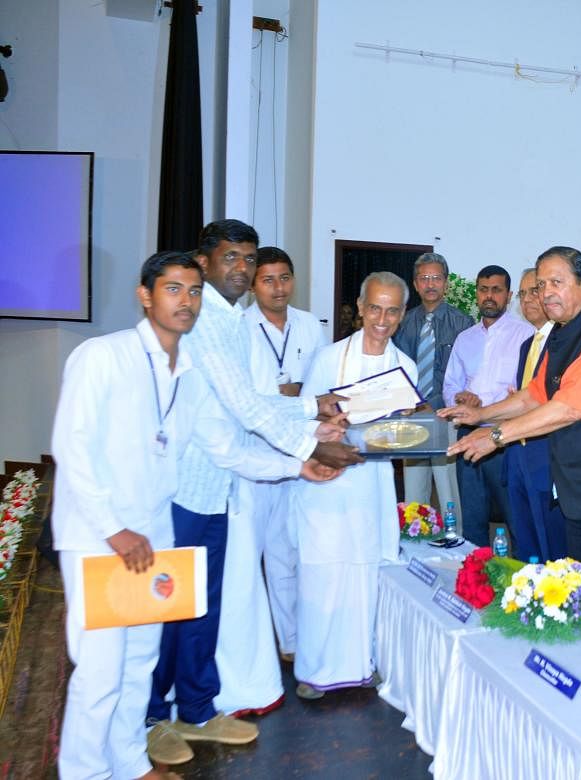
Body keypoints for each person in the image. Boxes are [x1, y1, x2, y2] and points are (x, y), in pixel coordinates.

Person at [51, 252, 337, 779]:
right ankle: (85, 772)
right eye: (173, 290)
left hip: (156, 530)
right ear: (145, 295)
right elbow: (71, 448)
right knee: (100, 669)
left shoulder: (184, 370)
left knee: (139, 662)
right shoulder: (102, 356)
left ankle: (131, 763)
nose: (186, 301)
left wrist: (296, 468)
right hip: (100, 536)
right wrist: (114, 529)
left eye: (194, 292)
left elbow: (223, 446)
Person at [146, 220, 359, 753]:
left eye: (248, 258)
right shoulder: (205, 321)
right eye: (230, 258)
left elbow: (252, 400)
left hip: (218, 488)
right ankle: (154, 721)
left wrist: (311, 412)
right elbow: (243, 405)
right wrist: (309, 448)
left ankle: (196, 709)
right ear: (203, 260)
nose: (241, 269)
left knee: (202, 606)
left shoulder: (225, 317)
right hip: (184, 492)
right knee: (171, 610)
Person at [442, 247, 581, 642]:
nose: (545, 294)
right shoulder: (562, 333)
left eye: (556, 283)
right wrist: (482, 414)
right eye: (541, 285)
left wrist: (496, 436)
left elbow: (567, 408)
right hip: (580, 495)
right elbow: (534, 394)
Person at [291, 272, 416, 700]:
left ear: (402, 314)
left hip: (373, 483)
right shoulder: (328, 359)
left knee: (367, 573)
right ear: (360, 308)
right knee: (324, 573)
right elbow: (303, 419)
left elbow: (406, 431)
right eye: (375, 308)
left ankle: (364, 663)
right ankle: (316, 670)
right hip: (328, 482)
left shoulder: (406, 366)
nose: (382, 319)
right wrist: (329, 424)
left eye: (392, 310)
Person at [239, 246, 327, 663]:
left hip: (303, 449)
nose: (278, 287)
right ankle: (251, 650)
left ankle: (291, 642)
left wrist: (305, 398)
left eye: (285, 278)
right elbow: (243, 399)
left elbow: (321, 382)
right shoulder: (240, 327)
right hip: (256, 456)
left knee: (291, 550)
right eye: (268, 279)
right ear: (253, 285)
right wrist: (284, 395)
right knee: (252, 554)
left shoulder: (309, 325)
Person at [442, 265, 533, 544]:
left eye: (496, 290)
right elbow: (450, 386)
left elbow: (529, 392)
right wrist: (461, 399)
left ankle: (520, 581)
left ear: (508, 296)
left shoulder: (526, 335)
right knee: (471, 518)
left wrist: (494, 406)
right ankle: (475, 580)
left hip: (506, 438)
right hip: (468, 436)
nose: (489, 296)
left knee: (515, 515)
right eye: (483, 290)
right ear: (477, 294)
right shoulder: (464, 338)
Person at [392, 252, 472, 508]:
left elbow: (466, 374)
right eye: (424, 278)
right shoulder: (403, 322)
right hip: (412, 416)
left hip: (447, 418)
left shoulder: (463, 323)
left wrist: (434, 405)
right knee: (414, 493)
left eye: (436, 278)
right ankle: (417, 543)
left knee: (450, 493)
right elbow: (397, 370)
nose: (430, 284)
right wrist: (415, 404)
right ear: (415, 284)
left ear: (446, 283)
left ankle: (456, 543)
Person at [504, 268, 567, 562]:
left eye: (535, 291)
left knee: (552, 544)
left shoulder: (566, 341)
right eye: (523, 294)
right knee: (525, 541)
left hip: (548, 454)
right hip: (518, 452)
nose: (529, 299)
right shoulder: (527, 346)